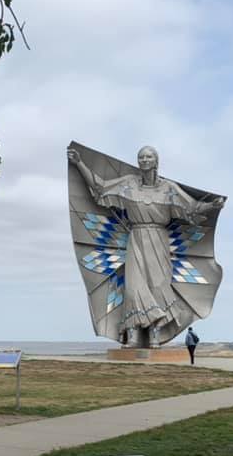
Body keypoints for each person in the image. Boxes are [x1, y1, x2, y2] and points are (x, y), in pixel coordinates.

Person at [68, 144, 223, 348]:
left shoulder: (168, 189)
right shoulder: (129, 185)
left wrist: (212, 205)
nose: (144, 160)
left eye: (149, 157)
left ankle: (154, 334)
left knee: (158, 286)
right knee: (133, 287)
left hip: (159, 240)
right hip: (136, 238)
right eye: (141, 157)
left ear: (156, 161)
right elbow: (100, 188)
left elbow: (192, 207)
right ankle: (132, 334)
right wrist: (79, 164)